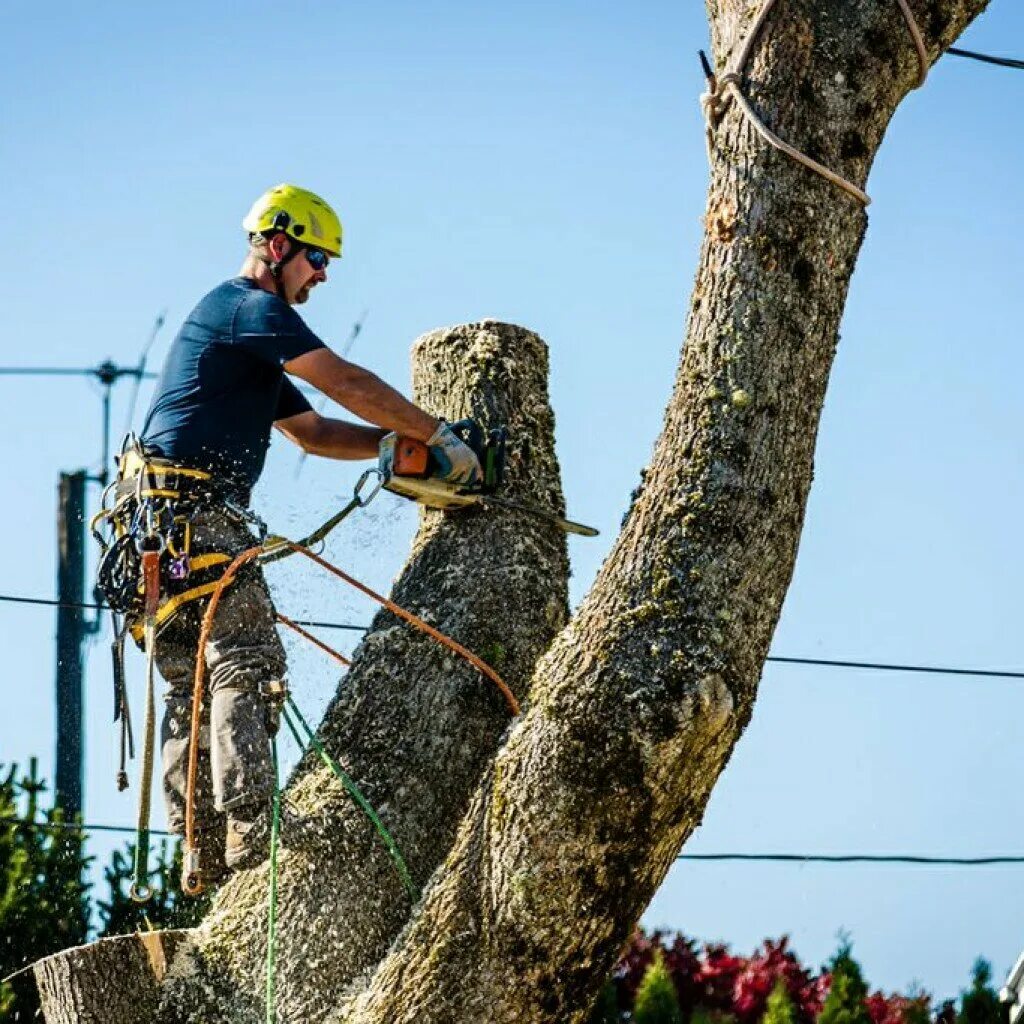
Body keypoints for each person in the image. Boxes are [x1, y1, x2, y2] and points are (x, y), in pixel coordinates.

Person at [128, 183, 481, 879]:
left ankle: (198, 845)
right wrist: (436, 434)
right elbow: (343, 380)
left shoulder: (235, 335)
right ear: (279, 245)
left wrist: (390, 446)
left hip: (155, 534)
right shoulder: (248, 309)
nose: (323, 274)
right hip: (197, 520)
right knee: (244, 661)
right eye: (317, 258)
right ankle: (252, 829)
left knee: (188, 681)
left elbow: (312, 431)